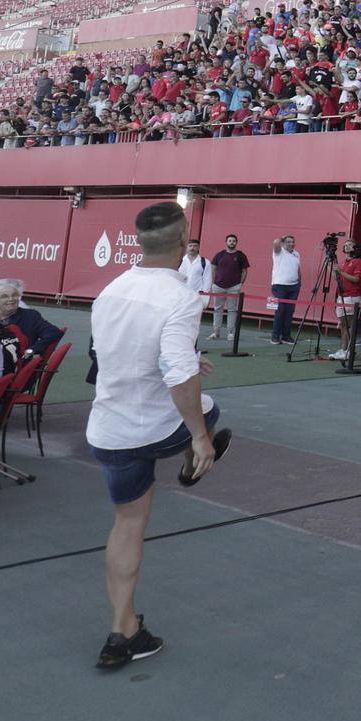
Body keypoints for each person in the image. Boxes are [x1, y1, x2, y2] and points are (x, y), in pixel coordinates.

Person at [86, 201, 229, 670]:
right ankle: (195, 459)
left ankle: (121, 630)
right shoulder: (182, 296)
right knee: (209, 411)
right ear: (186, 239)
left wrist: (187, 353)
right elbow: (179, 377)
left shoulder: (110, 290)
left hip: (109, 430)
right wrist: (199, 437)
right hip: (157, 429)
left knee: (127, 526)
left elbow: (114, 352)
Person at [0, 278, 63, 359]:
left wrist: (32, 349)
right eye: (4, 296)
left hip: (15, 363)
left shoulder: (30, 316)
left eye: (14, 295)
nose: (11, 299)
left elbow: (53, 332)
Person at [331, 239, 361, 362]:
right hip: (342, 296)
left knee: (350, 324)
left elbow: (356, 279)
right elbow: (338, 278)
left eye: (350, 245)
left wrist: (340, 272)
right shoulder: (342, 262)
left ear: (355, 248)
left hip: (352, 297)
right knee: (343, 324)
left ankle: (348, 350)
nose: (346, 247)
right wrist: (334, 271)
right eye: (345, 245)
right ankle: (343, 349)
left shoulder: (358, 261)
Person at [207, 234, 249, 341]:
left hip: (234, 287)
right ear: (226, 242)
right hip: (218, 286)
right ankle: (216, 332)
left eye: (233, 241)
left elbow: (244, 271)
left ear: (236, 242)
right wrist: (213, 283)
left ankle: (230, 333)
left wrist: (240, 284)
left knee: (232, 310)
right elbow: (213, 268)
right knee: (217, 309)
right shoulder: (219, 255)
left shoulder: (241, 255)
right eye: (229, 241)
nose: (231, 242)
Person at [268, 235, 301, 345]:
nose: (291, 244)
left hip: (294, 287)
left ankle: (286, 337)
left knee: (289, 312)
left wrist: (299, 284)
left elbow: (298, 270)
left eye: (293, 242)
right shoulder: (278, 251)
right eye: (288, 242)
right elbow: (275, 243)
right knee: (280, 311)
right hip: (279, 286)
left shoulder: (297, 254)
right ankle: (275, 336)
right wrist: (281, 239)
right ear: (283, 243)